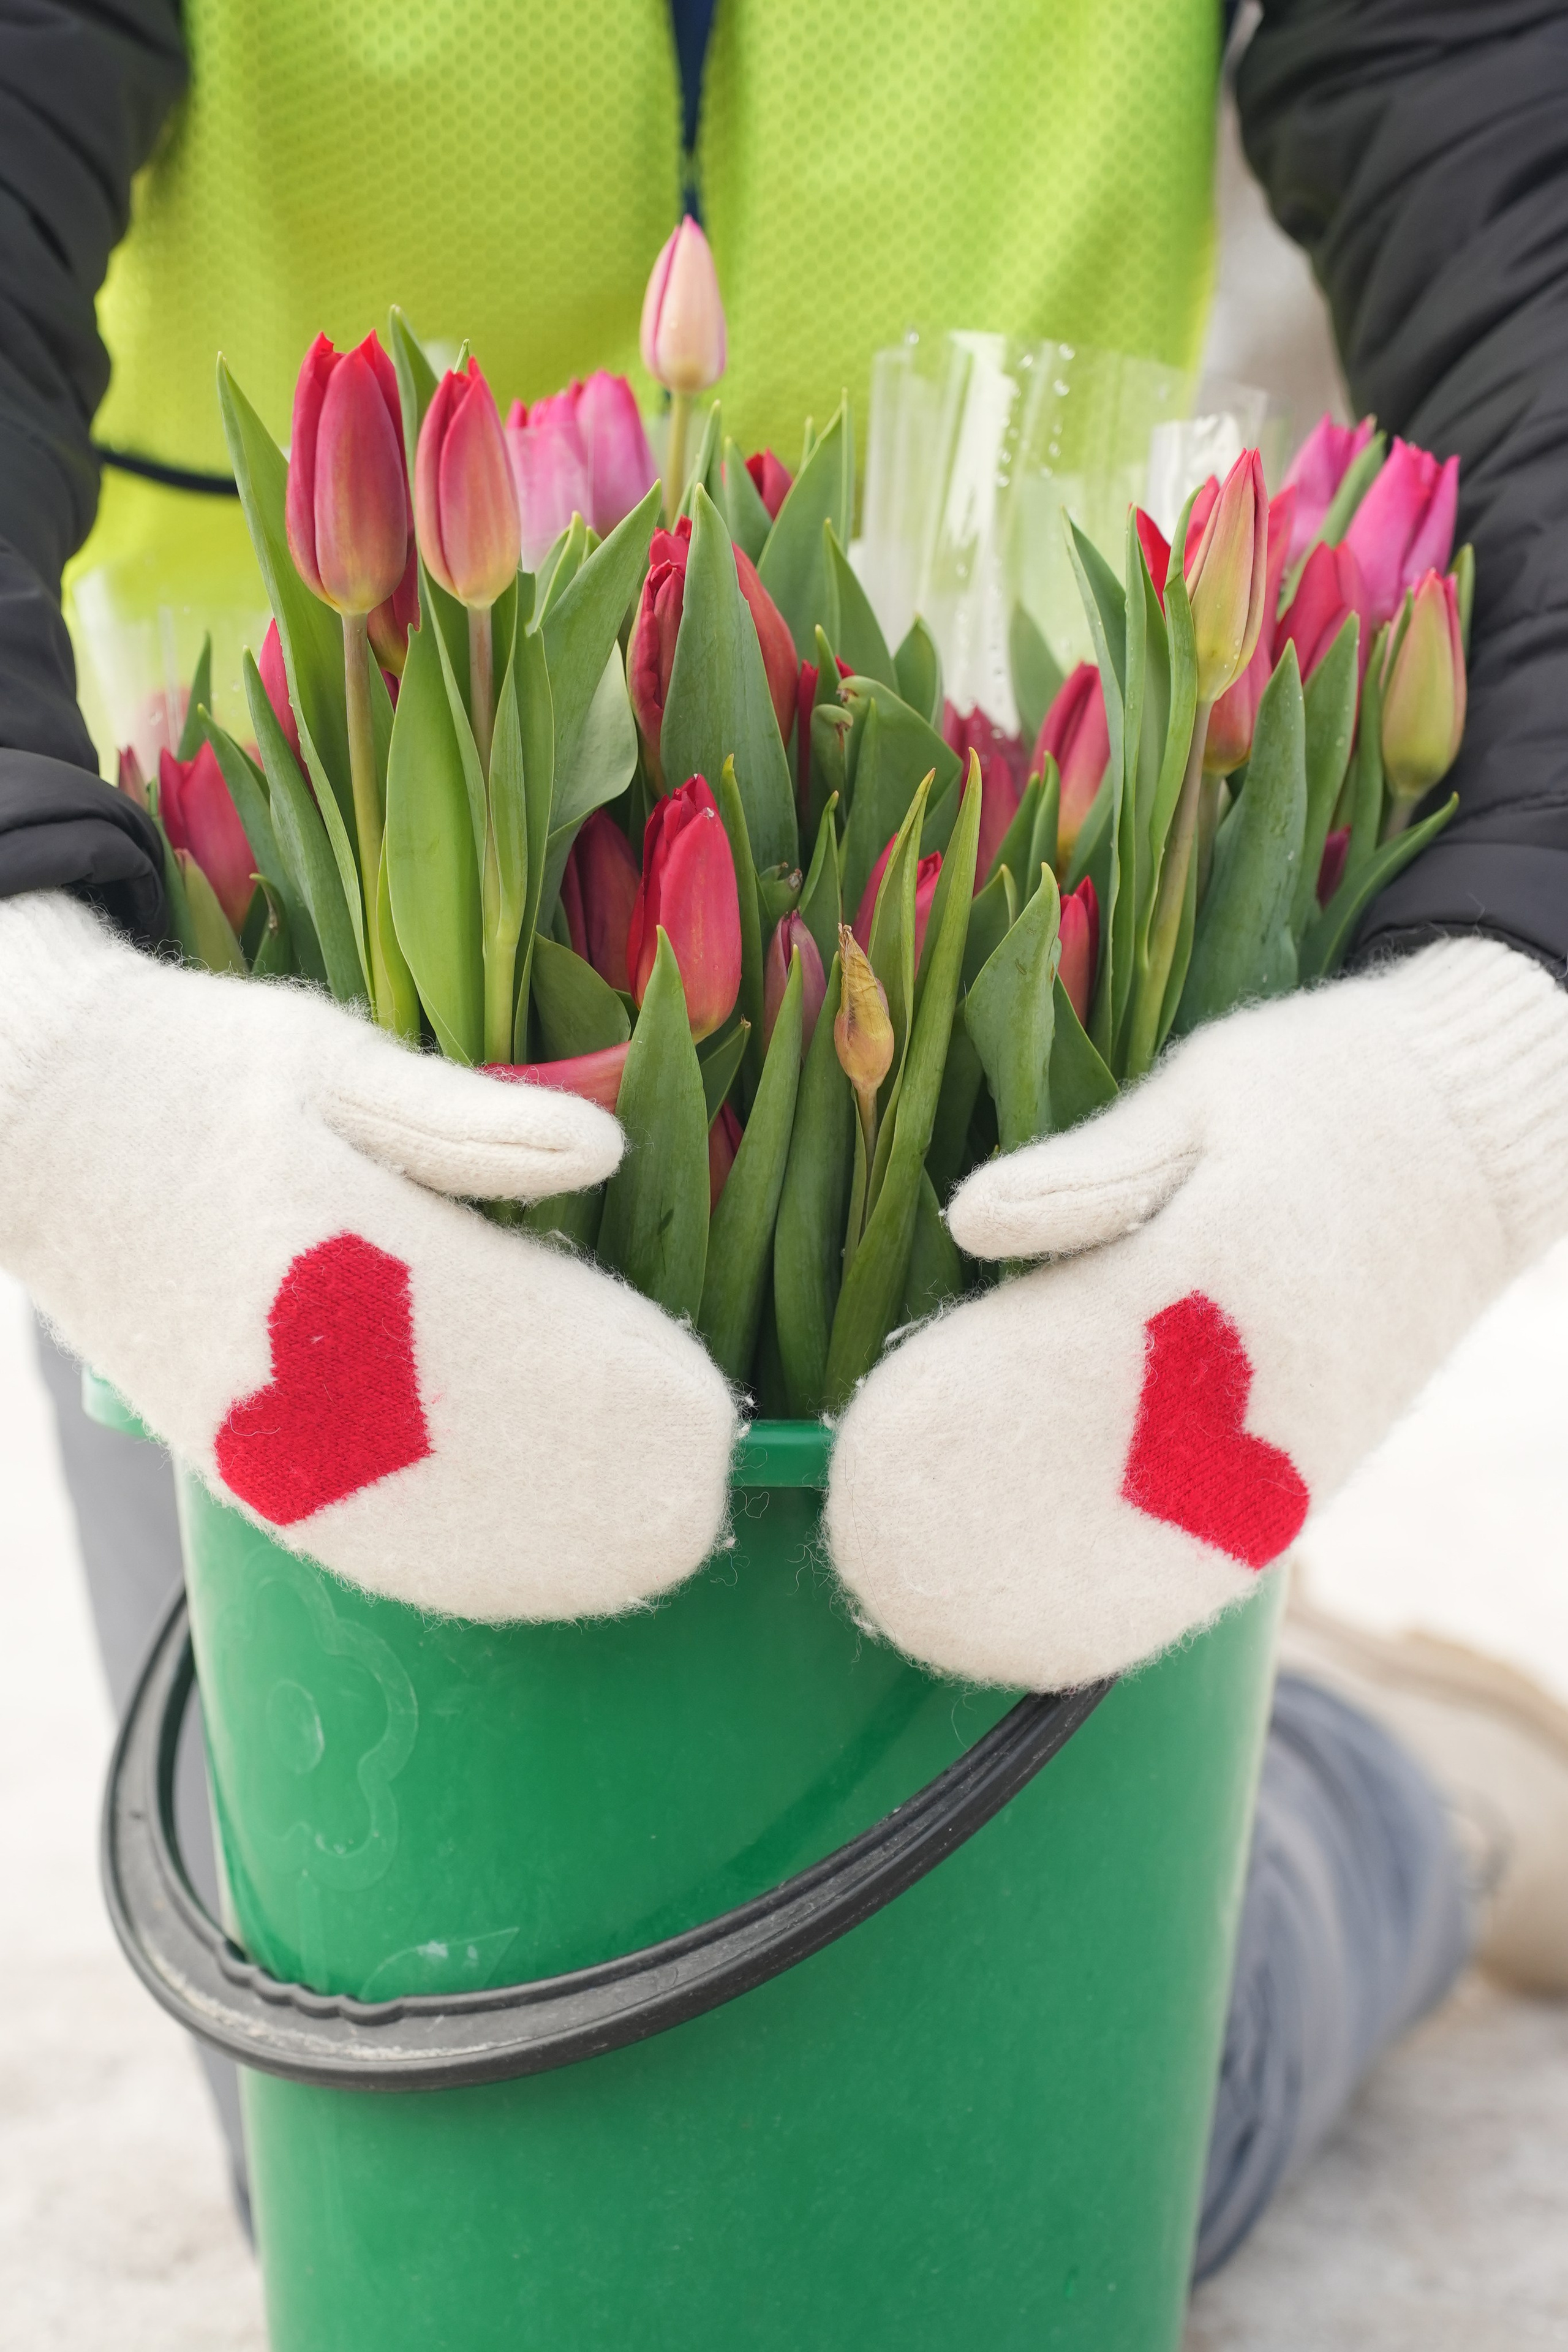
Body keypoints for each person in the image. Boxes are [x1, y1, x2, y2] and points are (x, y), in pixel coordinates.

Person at [1, 0, 1566, 2282]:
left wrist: (1484, 1048)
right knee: (449, 2136)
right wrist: (53, 1071)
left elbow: (1522, 162)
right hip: (277, 1007)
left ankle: (1382, 1806)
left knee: (1005, 2138)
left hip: (988, 962)